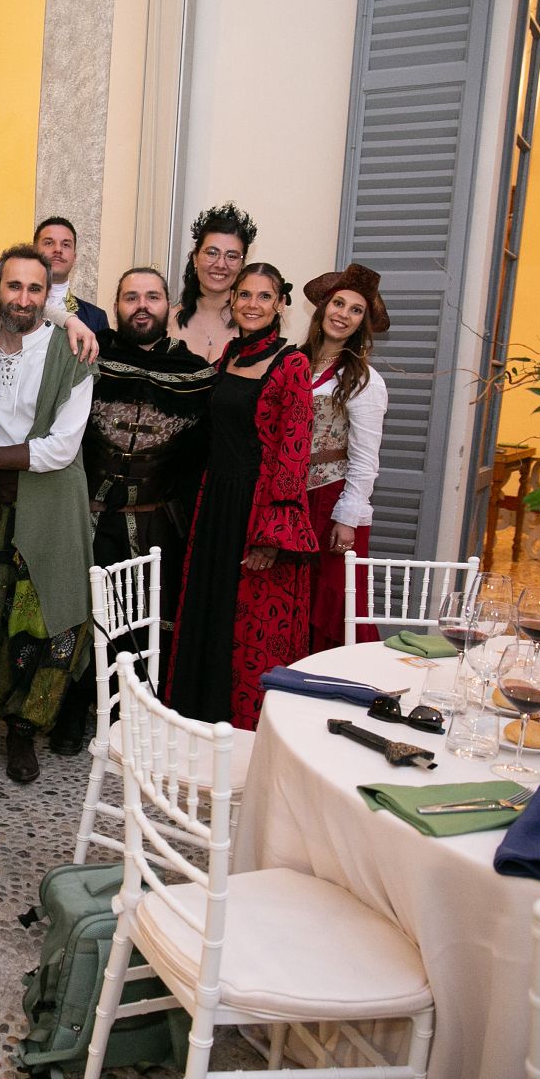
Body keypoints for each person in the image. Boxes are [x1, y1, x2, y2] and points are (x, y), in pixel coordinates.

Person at [49, 265, 218, 754]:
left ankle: (132, 715)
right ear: (116, 306)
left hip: (156, 520)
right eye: (130, 297)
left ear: (169, 306)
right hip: (87, 515)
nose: (142, 306)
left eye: (152, 296)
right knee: (81, 615)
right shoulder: (88, 354)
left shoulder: (195, 373)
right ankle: (70, 711)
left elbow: (202, 456)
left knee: (143, 618)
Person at [0, 245, 95, 783]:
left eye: (35, 288)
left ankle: (23, 729)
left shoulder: (73, 351)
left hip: (49, 502)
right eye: (13, 286)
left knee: (45, 621)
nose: (23, 298)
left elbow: (61, 448)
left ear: (48, 294)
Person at [168, 262, 317, 730]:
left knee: (251, 625)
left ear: (281, 305)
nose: (253, 305)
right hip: (215, 502)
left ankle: (245, 731)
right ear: (232, 300)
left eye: (264, 296)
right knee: (210, 612)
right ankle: (199, 719)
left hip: (257, 509)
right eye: (245, 295)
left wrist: (272, 533)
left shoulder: (293, 364)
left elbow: (295, 450)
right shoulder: (230, 353)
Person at [301, 264, 391, 652]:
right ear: (323, 308)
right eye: (339, 303)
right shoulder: (294, 363)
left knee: (334, 604)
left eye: (356, 310)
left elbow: (366, 458)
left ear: (361, 324)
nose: (343, 314)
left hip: (331, 501)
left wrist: (347, 517)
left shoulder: (364, 380)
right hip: (291, 499)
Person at [170, 202, 259, 364]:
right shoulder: (167, 323)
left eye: (232, 256)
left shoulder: (252, 327)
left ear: (242, 264)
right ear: (195, 259)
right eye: (212, 253)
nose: (220, 264)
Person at [33, 216, 109, 336]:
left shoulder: (96, 318)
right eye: (49, 243)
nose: (58, 249)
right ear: (34, 252)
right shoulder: (12, 306)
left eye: (66, 244)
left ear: (74, 257)